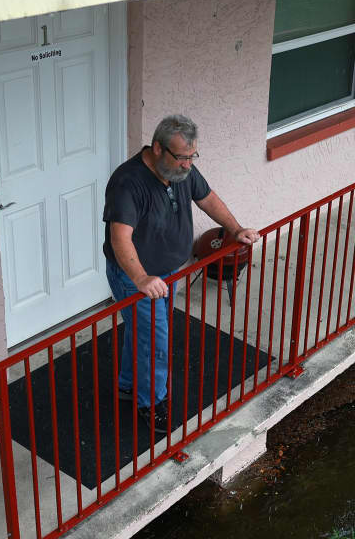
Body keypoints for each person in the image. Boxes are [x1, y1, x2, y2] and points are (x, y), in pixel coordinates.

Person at [103, 115, 259, 435]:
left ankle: (129, 386)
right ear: (158, 148)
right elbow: (120, 238)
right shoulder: (128, 182)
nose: (188, 165)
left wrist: (235, 229)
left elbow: (208, 198)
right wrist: (142, 279)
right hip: (137, 277)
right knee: (156, 338)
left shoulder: (181, 169)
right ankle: (151, 403)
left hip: (168, 274)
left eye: (192, 157)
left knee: (143, 332)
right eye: (182, 157)